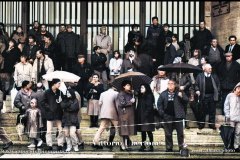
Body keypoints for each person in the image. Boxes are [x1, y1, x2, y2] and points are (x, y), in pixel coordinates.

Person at [157, 79, 188, 152]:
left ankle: (181, 147)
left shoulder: (179, 92)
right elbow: (159, 104)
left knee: (180, 133)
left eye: (172, 84)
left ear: (175, 85)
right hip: (167, 116)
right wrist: (162, 113)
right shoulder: (163, 93)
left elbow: (186, 101)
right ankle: (169, 147)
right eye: (169, 83)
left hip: (178, 116)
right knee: (168, 133)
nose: (170, 85)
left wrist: (181, 96)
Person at [92, 85, 119, 150]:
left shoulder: (102, 93)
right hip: (113, 114)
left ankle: (95, 142)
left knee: (101, 129)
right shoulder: (116, 93)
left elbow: (100, 103)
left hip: (104, 113)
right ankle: (123, 145)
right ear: (113, 87)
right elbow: (117, 105)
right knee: (118, 129)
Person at [195, 64, 220, 130]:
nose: (210, 70)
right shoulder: (200, 76)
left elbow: (218, 85)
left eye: (211, 68)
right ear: (205, 69)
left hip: (212, 96)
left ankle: (211, 124)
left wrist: (218, 92)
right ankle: (201, 124)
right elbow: (196, 84)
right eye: (209, 69)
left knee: (212, 111)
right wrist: (197, 90)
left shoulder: (214, 76)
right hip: (203, 95)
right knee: (202, 111)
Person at [42, 78, 64, 151]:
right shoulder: (47, 92)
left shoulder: (60, 92)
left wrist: (61, 101)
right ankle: (49, 145)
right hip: (50, 114)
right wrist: (49, 108)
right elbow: (43, 102)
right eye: (58, 83)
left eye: (60, 83)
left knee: (60, 130)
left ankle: (60, 144)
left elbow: (63, 103)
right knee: (49, 131)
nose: (59, 85)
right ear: (54, 84)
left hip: (58, 113)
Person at [117, 80, 136, 151]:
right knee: (123, 130)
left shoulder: (131, 93)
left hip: (130, 114)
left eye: (129, 85)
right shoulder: (121, 93)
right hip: (124, 114)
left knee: (127, 130)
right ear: (124, 86)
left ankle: (126, 145)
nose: (129, 86)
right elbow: (122, 103)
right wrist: (130, 102)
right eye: (127, 85)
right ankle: (122, 145)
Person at [136, 84, 155, 152]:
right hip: (141, 116)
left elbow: (149, 107)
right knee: (143, 131)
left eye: (143, 87)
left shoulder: (149, 95)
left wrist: (145, 115)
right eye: (140, 87)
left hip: (147, 117)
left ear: (146, 88)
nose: (141, 89)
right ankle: (143, 145)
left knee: (149, 131)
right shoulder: (141, 96)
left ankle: (151, 146)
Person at [224, 82, 240, 152]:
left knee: (238, 133)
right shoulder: (230, 95)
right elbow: (226, 106)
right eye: (238, 88)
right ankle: (227, 146)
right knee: (229, 133)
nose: (239, 90)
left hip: (239, 118)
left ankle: (236, 147)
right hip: (231, 118)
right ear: (235, 88)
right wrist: (227, 115)